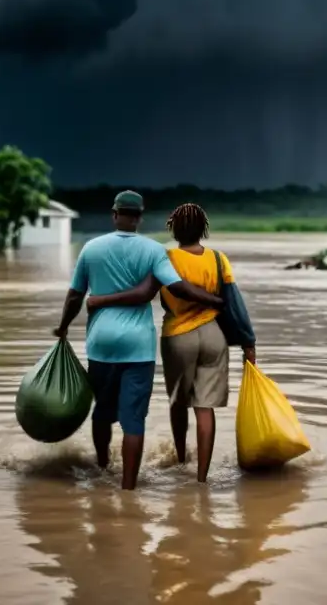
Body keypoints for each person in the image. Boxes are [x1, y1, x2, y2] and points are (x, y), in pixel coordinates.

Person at [53, 191, 222, 491]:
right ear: (139, 217)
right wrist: (215, 300)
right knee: (133, 420)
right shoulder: (154, 250)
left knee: (102, 413)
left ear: (115, 214)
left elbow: (75, 296)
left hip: (101, 345)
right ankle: (128, 488)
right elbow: (179, 288)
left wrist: (63, 327)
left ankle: (102, 467)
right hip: (138, 348)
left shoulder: (91, 248)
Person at [87, 202, 256, 483]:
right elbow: (234, 303)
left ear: (174, 229)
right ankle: (202, 477)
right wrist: (248, 343)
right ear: (203, 229)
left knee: (179, 403)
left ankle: (180, 461)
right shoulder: (218, 259)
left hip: (178, 336)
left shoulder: (165, 257)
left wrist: (103, 303)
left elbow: (143, 293)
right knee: (205, 407)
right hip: (214, 335)